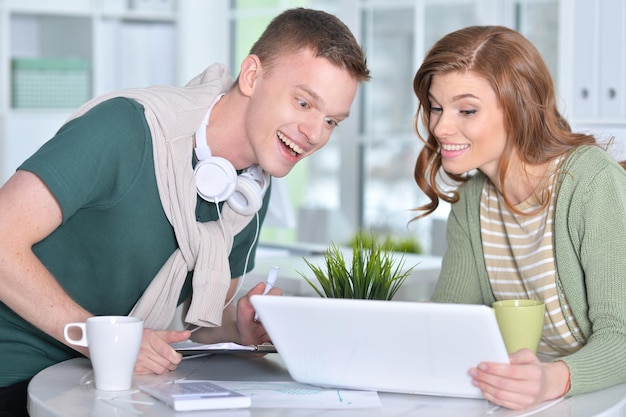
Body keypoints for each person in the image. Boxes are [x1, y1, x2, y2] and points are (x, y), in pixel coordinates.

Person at [0, 7, 370, 416]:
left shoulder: (247, 192)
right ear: (251, 76)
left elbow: (195, 319)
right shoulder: (125, 129)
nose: (315, 133)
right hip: (15, 376)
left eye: (332, 121)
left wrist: (239, 325)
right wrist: (102, 339)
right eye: (303, 102)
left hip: (110, 386)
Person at [411, 25, 626, 411]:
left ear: (518, 108)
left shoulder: (592, 183)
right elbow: (453, 321)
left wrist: (552, 380)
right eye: (436, 106)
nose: (440, 127)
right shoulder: (471, 201)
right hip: (529, 402)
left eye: (467, 110)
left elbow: (621, 336)